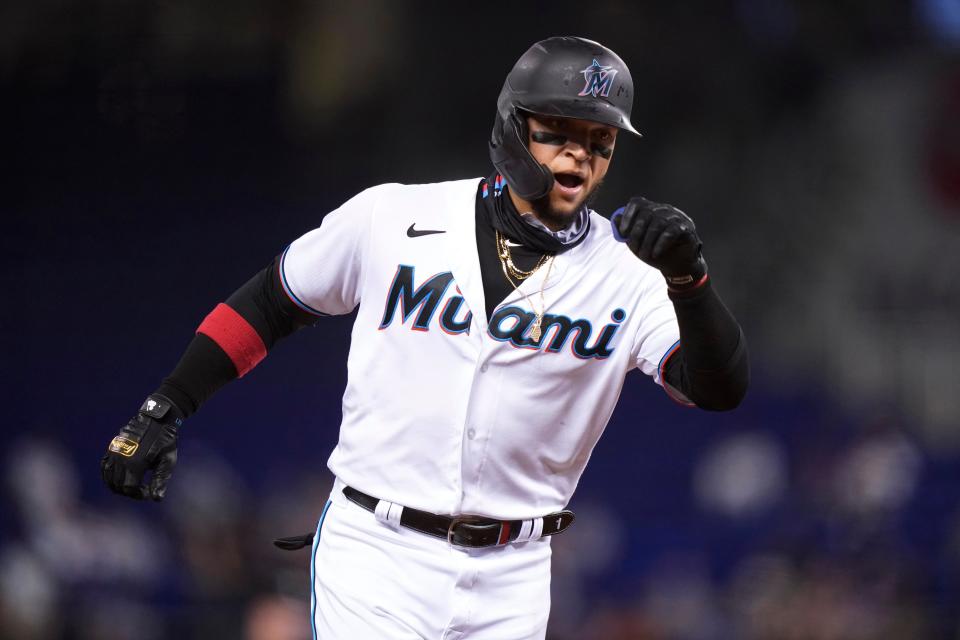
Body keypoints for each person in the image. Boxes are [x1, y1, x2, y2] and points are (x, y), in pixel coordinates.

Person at [101, 36, 748, 638]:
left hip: (514, 573)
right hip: (378, 552)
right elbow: (275, 299)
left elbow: (715, 388)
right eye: (559, 131)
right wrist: (169, 404)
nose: (580, 152)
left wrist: (690, 280)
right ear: (510, 128)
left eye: (600, 139)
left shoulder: (628, 273)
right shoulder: (396, 215)